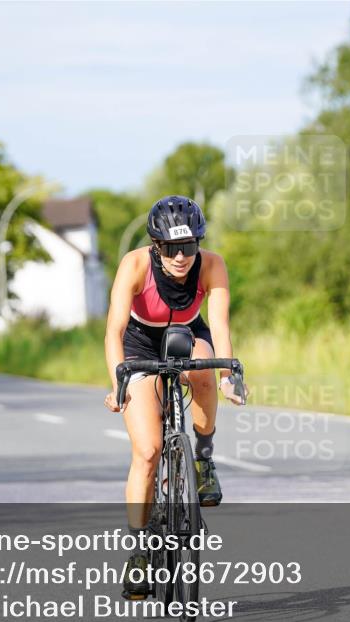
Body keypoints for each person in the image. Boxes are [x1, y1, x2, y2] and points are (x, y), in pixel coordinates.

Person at [103, 195, 244, 598]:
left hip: (187, 332)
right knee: (147, 452)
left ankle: (203, 457)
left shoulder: (212, 265)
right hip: (140, 343)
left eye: (189, 246)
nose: (181, 257)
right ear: (156, 245)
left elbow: (218, 326)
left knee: (206, 371)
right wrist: (118, 382)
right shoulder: (135, 264)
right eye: (171, 248)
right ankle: (138, 552)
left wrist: (228, 375)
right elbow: (113, 331)